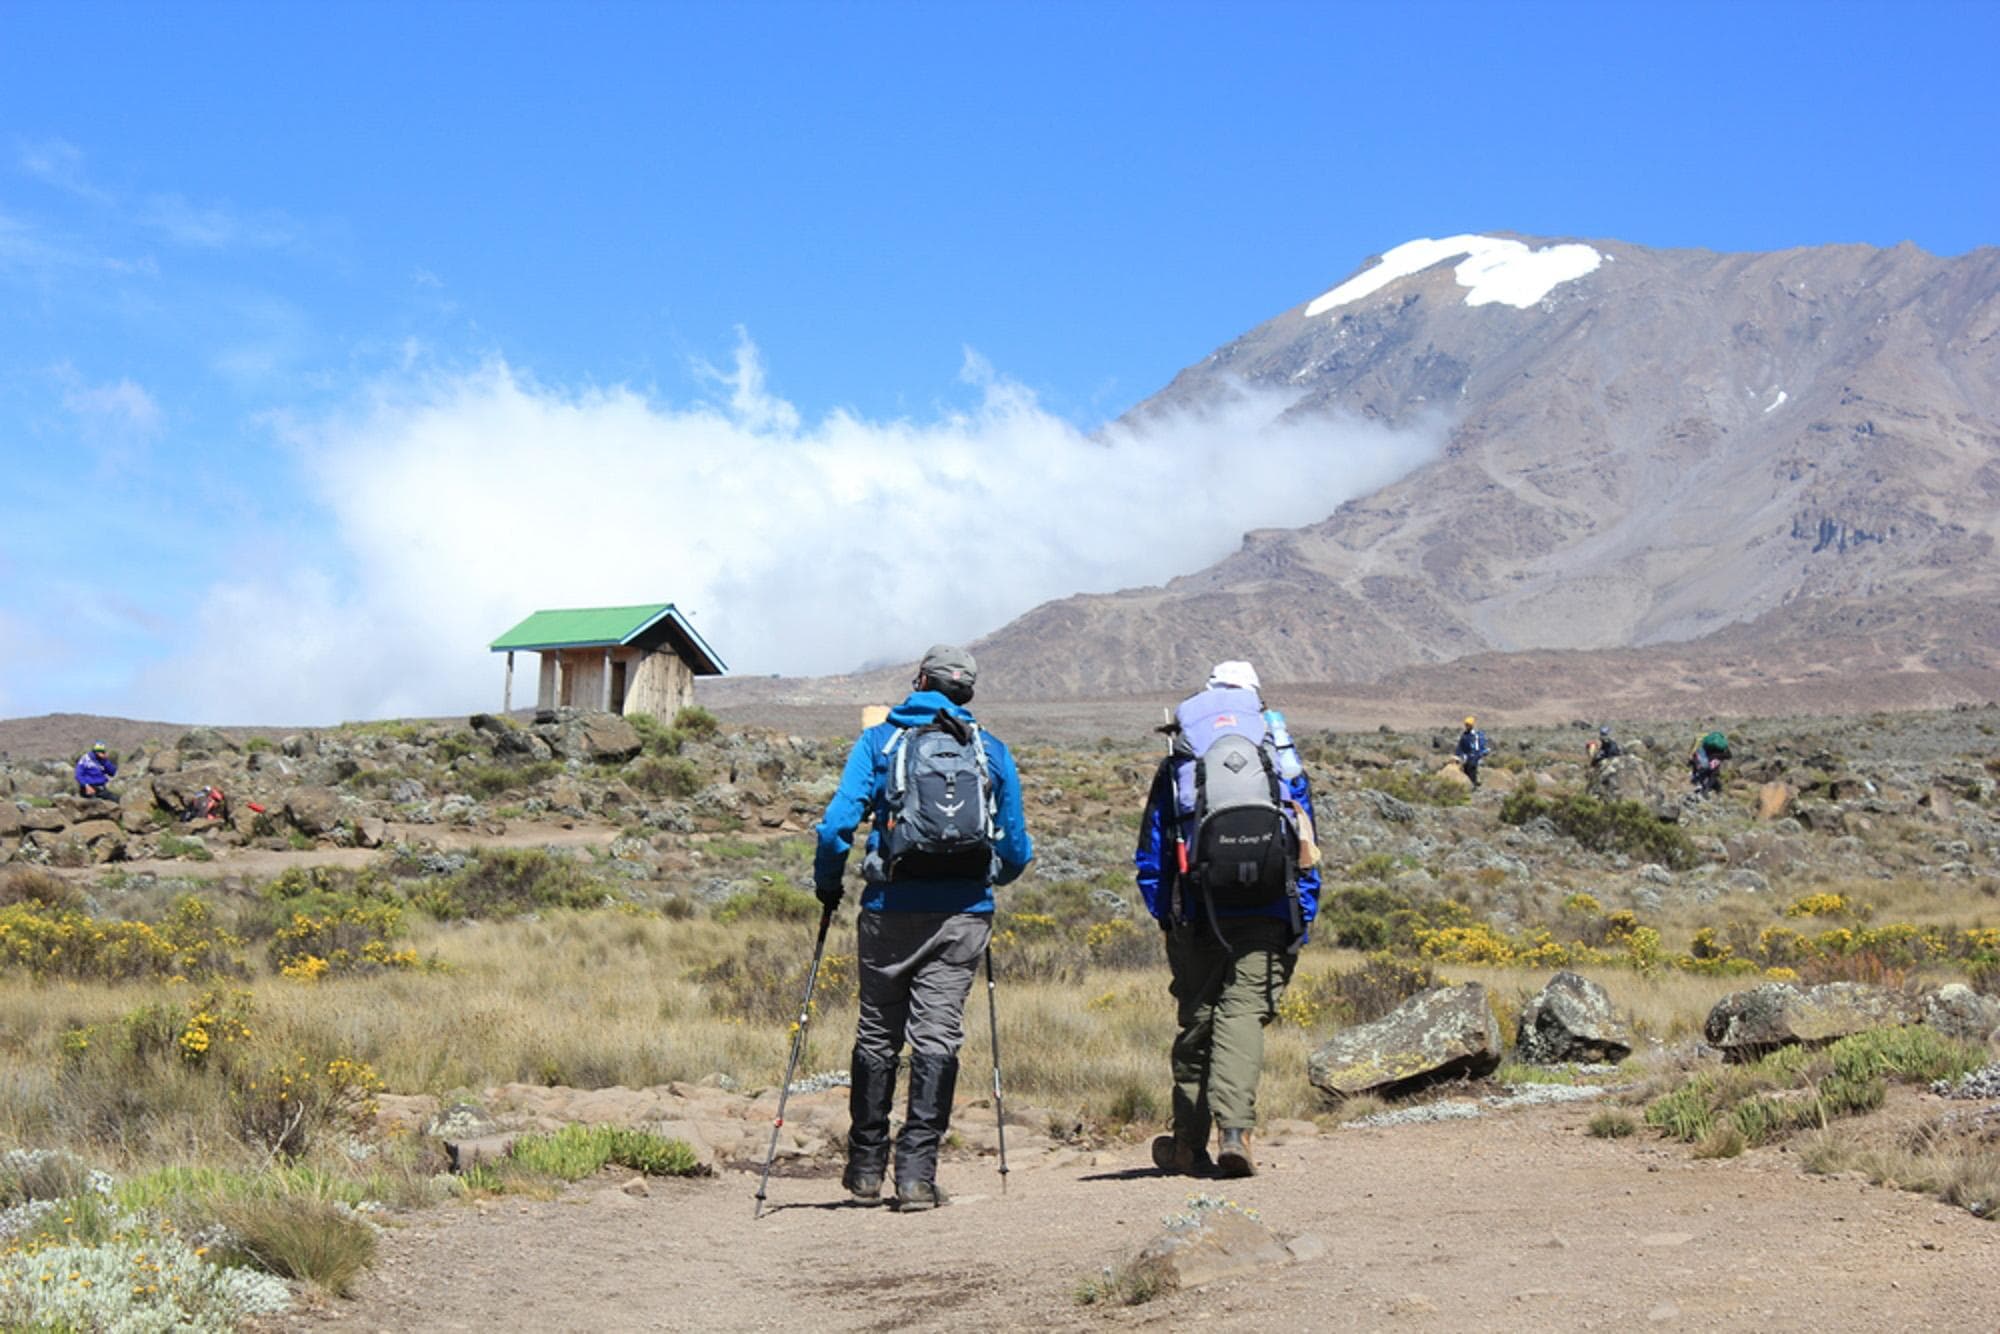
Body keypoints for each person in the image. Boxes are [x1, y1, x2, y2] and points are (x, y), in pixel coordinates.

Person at [813, 645, 1033, 1212]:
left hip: (889, 910)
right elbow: (1016, 847)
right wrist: (989, 880)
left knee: (877, 1033)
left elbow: (836, 825)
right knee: (937, 1035)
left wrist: (828, 885)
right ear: (967, 692)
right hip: (963, 915)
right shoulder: (989, 750)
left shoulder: (880, 741)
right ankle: (916, 1177)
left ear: (919, 681)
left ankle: (865, 1171)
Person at [1134, 660, 1318, 1180]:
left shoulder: (1183, 760)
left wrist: (1167, 915)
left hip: (1196, 906)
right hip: (1266, 907)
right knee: (1241, 1016)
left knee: (1198, 1021)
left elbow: (1153, 851)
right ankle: (1236, 1133)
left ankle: (1188, 1146)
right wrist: (1301, 913)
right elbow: (1307, 845)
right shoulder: (1278, 758)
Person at [1689, 731, 1729, 796]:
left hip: (1702, 764)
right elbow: (1728, 755)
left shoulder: (1704, 744)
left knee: (1710, 775)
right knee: (1714, 775)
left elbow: (1695, 755)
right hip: (1709, 765)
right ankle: (1707, 790)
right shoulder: (1719, 749)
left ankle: (1708, 789)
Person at [1455, 716, 1490, 788]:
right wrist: (1459, 755)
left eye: (1468, 725)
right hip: (1466, 758)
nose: (1467, 726)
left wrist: (1481, 754)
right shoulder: (1464, 735)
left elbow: (1479, 746)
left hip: (1474, 758)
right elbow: (1460, 747)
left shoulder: (1476, 735)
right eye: (1466, 725)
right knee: (1466, 772)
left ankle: (1474, 786)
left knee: (1473, 772)